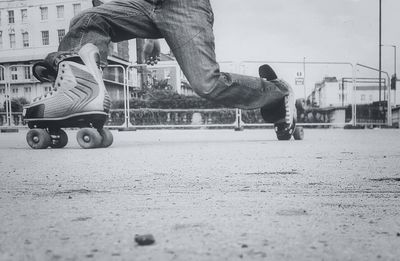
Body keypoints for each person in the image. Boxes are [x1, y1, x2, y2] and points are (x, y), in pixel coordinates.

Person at [23, 0, 296, 137]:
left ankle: (277, 90)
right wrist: (146, 34)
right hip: (145, 6)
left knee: (206, 83)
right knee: (89, 18)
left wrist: (154, 37)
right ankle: (77, 82)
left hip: (184, 6)